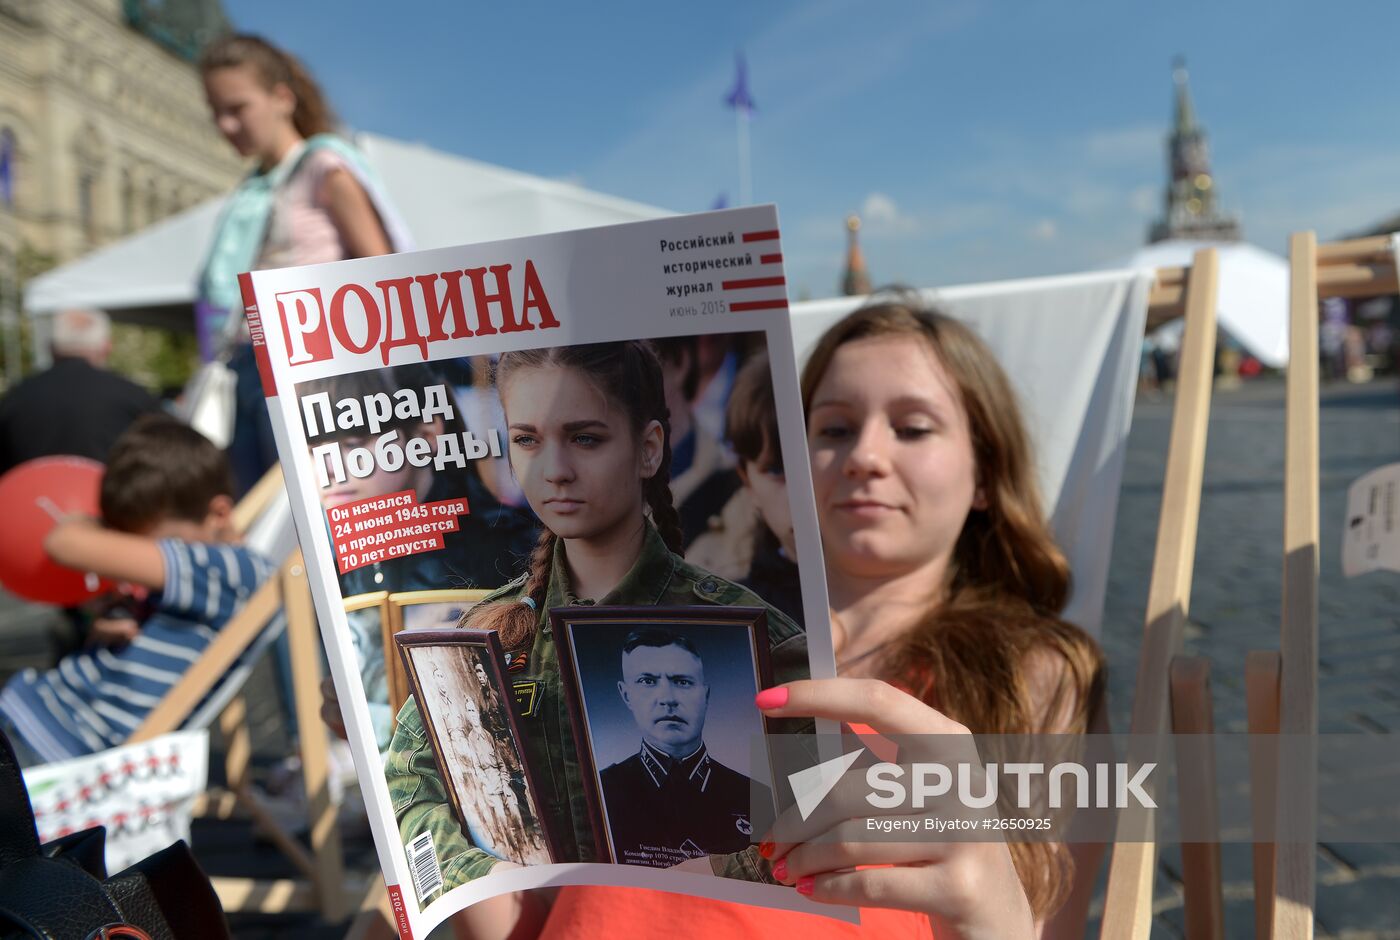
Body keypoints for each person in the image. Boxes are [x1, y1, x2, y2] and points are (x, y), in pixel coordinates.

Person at [519, 299, 1105, 939]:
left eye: (912, 428)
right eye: (832, 431)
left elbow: (1035, 923)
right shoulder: (689, 629)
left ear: (986, 473)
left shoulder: (1027, 672)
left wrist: (993, 913)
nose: (864, 457)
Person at [382, 340, 806, 903]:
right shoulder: (482, 635)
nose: (555, 470)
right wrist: (481, 880)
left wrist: (722, 873)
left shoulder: (749, 634)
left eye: (585, 438)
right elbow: (408, 787)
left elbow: (829, 798)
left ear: (649, 448)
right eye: (527, 440)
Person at [197, 34, 409, 494]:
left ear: (282, 98)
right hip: (245, 367)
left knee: (311, 515)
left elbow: (382, 273)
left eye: (237, 108)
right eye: (216, 112)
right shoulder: (251, 191)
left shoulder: (324, 166)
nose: (226, 125)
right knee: (258, 514)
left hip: (311, 369)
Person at [0, 416, 273, 768]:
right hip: (41, 720)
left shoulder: (230, 570)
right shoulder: (207, 574)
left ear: (219, 514)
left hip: (58, 745)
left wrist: (99, 523)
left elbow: (61, 540)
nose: (136, 558)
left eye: (150, 546)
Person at [600, 628, 770, 867]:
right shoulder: (601, 793)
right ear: (626, 695)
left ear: (705, 694)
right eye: (647, 681)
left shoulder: (756, 796)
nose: (668, 698)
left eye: (682, 681)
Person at [0, 308, 160, 475]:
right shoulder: (133, 396)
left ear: (51, 348)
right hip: (110, 498)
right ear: (107, 347)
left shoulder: (16, 397)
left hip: (31, 498)